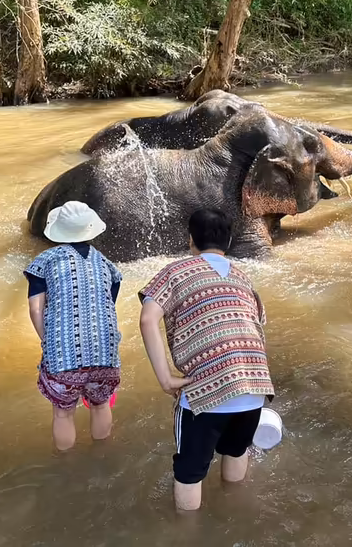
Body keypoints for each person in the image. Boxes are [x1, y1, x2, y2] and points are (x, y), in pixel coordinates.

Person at [138, 208, 275, 512]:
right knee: (236, 451)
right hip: (254, 385)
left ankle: (188, 534)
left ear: (191, 240)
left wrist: (165, 379)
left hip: (207, 391)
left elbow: (148, 320)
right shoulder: (243, 277)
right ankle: (234, 516)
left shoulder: (174, 272)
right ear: (228, 240)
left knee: (189, 473)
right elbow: (258, 325)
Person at [25, 201, 123, 452]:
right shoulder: (105, 263)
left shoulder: (45, 261)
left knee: (63, 413)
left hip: (64, 355)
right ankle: (101, 457)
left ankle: (66, 465)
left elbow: (36, 309)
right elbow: (107, 302)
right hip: (105, 351)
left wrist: (48, 342)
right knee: (101, 405)